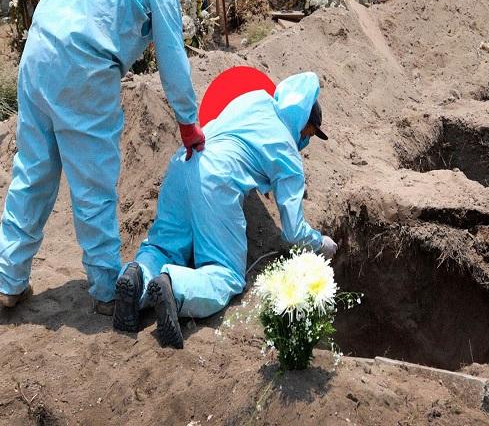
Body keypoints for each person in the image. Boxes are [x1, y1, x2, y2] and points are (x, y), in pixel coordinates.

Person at [0, 0, 206, 315]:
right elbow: (173, 56)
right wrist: (188, 122)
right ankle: (108, 286)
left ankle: (8, 278)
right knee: (93, 184)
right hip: (84, 71)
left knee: (33, 171)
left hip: (38, 54)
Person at [113, 72, 338, 348]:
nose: (306, 142)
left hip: (185, 160)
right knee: (226, 272)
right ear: (304, 124)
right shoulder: (287, 153)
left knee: (162, 247)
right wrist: (320, 242)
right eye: (310, 134)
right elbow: (293, 230)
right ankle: (175, 285)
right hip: (217, 179)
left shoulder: (256, 100)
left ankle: (136, 277)